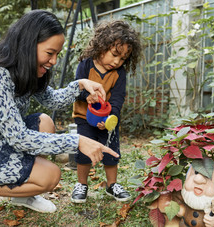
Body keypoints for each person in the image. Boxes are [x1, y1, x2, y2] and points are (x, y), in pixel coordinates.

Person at [0, 10, 119, 226]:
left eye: (57, 54)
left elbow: (53, 100)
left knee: (45, 122)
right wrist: (77, 141)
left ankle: (21, 195)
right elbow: (19, 138)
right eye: (50, 53)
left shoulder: (26, 70)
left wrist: (80, 85)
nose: (54, 61)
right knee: (50, 176)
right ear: (28, 44)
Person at [71, 20, 142, 203]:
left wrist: (112, 118)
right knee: (84, 152)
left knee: (111, 151)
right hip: (84, 118)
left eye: (123, 58)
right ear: (101, 46)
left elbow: (117, 99)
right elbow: (75, 89)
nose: (117, 61)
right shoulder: (86, 65)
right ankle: (81, 184)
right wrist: (86, 95)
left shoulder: (120, 74)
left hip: (107, 121)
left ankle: (112, 185)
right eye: (115, 54)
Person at [172, 162, 214, 227]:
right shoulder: (184, 195)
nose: (198, 180)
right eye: (196, 173)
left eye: (207, 176)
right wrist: (180, 207)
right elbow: (176, 197)